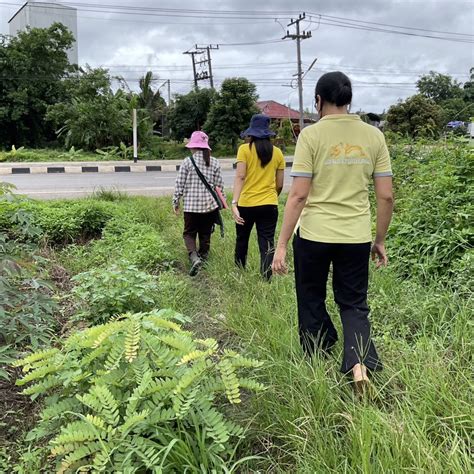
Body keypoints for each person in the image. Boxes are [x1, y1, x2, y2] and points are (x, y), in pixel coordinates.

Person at [272, 71, 394, 391]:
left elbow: (298, 195)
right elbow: (386, 196)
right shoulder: (374, 137)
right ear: (348, 100)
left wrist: (282, 244)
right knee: (353, 303)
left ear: (318, 100)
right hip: (355, 236)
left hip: (313, 234)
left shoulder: (310, 136)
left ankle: (317, 355)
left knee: (311, 295)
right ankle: (359, 365)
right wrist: (379, 240)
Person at [232, 114, 285, 280]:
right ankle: (266, 278)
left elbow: (240, 177)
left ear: (251, 132)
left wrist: (234, 202)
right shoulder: (277, 153)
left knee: (242, 239)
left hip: (246, 204)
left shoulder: (244, 150)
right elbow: (280, 184)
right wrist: (271, 197)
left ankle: (239, 273)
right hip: (269, 204)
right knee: (267, 242)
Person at [173, 131, 224, 276]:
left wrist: (175, 201)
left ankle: (194, 257)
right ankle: (204, 258)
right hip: (209, 206)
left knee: (189, 233)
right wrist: (222, 203)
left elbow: (179, 184)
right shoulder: (214, 162)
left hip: (191, 207)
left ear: (193, 147)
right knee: (205, 233)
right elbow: (219, 186)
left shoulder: (187, 162)